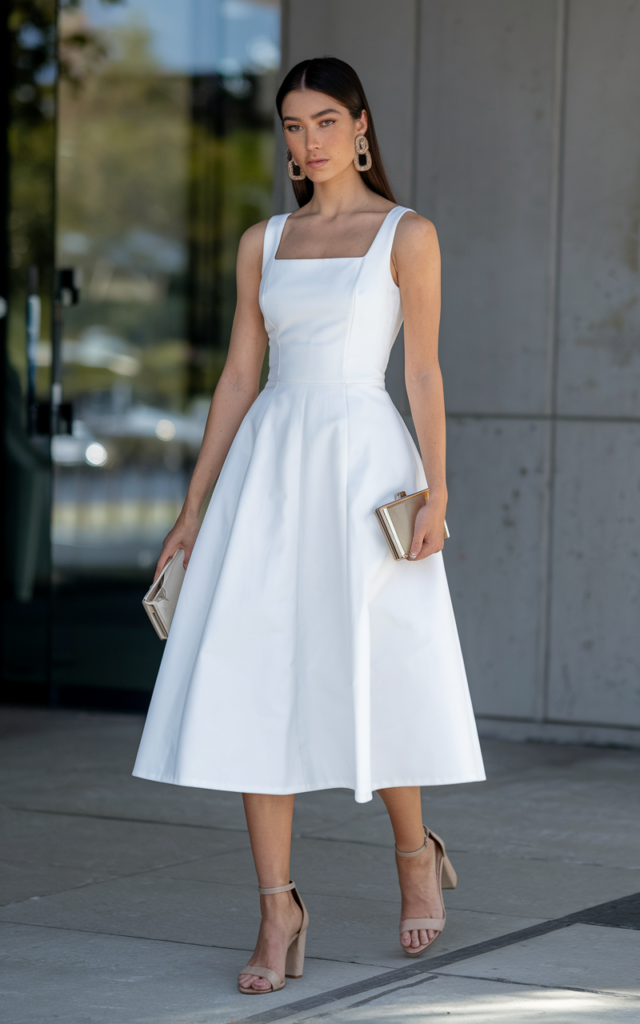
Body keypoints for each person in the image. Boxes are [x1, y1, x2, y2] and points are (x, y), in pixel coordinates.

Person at [133, 56, 485, 995]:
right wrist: (192, 508)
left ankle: (416, 853)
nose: (308, 141)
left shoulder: (407, 235)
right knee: (258, 674)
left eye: (325, 122)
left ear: (361, 126)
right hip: (271, 467)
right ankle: (277, 907)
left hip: (366, 463)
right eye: (292, 126)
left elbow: (422, 373)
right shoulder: (264, 240)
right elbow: (240, 377)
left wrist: (439, 492)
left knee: (377, 664)